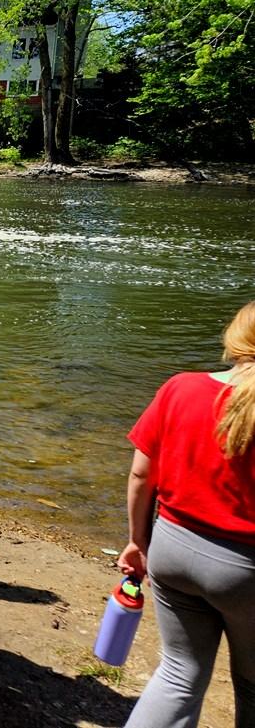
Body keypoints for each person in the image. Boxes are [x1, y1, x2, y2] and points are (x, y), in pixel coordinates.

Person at [118, 301, 255, 728]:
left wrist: (137, 542)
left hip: (172, 549)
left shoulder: (180, 387)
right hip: (246, 568)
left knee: (179, 674)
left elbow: (141, 475)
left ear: (234, 338)